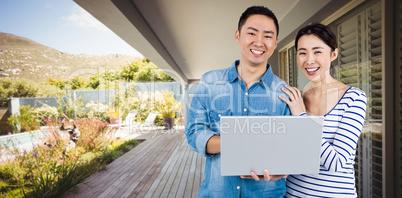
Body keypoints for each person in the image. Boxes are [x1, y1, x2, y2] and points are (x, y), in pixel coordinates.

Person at [185, 6, 290, 197]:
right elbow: (193, 133)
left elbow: (288, 149)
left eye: (267, 36)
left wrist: (279, 170)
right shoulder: (210, 82)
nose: (259, 42)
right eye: (252, 33)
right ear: (238, 35)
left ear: (275, 43)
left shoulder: (285, 93)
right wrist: (236, 142)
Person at [279, 23, 367, 197]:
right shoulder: (295, 99)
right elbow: (288, 156)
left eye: (317, 51)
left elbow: (337, 163)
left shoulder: (354, 98)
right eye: (302, 52)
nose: (309, 60)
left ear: (333, 54)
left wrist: (302, 117)